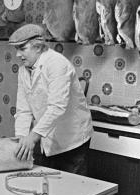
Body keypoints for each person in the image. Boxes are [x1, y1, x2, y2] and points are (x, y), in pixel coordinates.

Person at [9, 24, 93, 175]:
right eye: (16, 49)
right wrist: (21, 139)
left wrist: (32, 138)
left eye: (22, 49)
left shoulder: (57, 64)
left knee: (73, 191)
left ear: (38, 47)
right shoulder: (23, 70)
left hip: (72, 140)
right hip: (47, 139)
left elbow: (56, 107)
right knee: (49, 186)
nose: (17, 55)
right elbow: (23, 110)